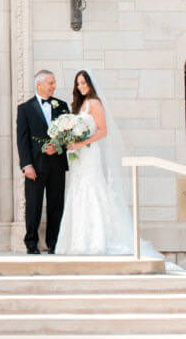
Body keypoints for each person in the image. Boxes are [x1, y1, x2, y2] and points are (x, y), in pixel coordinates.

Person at [55, 70, 152, 256]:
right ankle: (75, 240)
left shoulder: (95, 103)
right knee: (77, 191)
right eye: (78, 83)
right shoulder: (79, 105)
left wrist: (81, 143)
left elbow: (102, 131)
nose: (81, 86)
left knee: (91, 190)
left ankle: (96, 240)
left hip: (90, 154)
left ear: (90, 84)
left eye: (84, 83)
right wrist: (69, 141)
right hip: (78, 157)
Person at [15, 69, 69, 254]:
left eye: (54, 82)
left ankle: (54, 243)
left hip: (57, 165)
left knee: (56, 204)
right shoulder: (24, 109)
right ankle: (31, 243)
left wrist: (59, 145)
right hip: (35, 166)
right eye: (50, 82)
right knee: (33, 205)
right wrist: (26, 165)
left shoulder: (62, 106)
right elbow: (22, 140)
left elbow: (68, 134)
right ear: (39, 84)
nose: (54, 86)